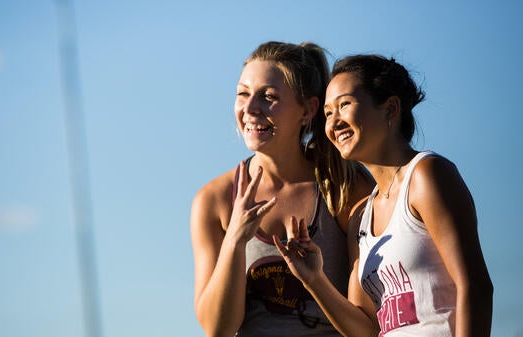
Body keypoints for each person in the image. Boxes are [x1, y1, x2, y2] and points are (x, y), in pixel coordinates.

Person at [274, 54, 494, 337]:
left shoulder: (427, 176)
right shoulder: (360, 217)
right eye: (328, 113)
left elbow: (474, 286)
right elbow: (366, 328)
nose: (334, 122)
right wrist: (314, 280)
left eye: (344, 105)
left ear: (391, 109)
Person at [190, 41, 373, 337]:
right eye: (243, 94)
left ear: (307, 110)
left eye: (268, 97)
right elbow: (218, 329)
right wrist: (235, 239)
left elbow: (366, 326)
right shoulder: (214, 200)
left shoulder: (344, 187)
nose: (250, 109)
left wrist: (315, 279)